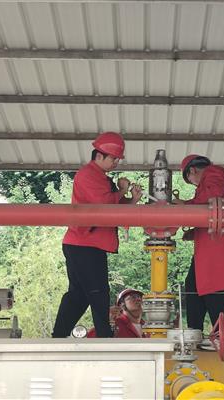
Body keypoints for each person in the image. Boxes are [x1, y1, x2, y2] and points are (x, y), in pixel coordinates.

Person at [52, 132, 142, 338]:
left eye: (117, 159)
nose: (116, 163)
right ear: (99, 155)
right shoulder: (88, 175)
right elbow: (104, 205)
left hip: (85, 243)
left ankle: (59, 335)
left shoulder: (99, 177)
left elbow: (113, 208)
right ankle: (104, 335)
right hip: (85, 243)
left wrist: (132, 200)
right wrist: (122, 190)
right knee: (97, 291)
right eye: (114, 158)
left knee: (80, 295)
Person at [174, 155, 224, 332]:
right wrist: (195, 232)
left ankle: (214, 335)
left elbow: (213, 196)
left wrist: (184, 205)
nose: (195, 186)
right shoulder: (218, 176)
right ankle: (199, 333)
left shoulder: (213, 172)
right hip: (215, 246)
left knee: (213, 290)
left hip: (216, 248)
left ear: (192, 171)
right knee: (194, 287)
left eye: (190, 181)